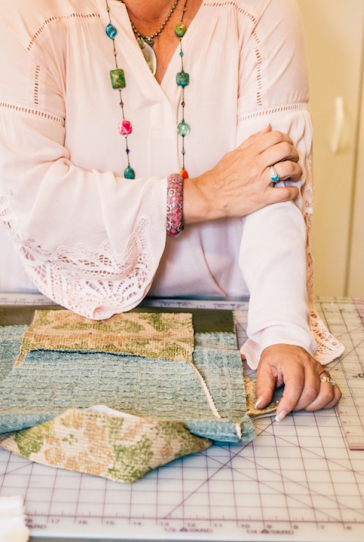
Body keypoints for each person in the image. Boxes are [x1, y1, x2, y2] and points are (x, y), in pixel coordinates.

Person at [0, 0, 343, 421]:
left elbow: (273, 183)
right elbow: (31, 194)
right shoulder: (27, 13)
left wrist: (282, 333)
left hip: (222, 320)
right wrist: (201, 195)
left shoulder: (261, 9)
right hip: (54, 305)